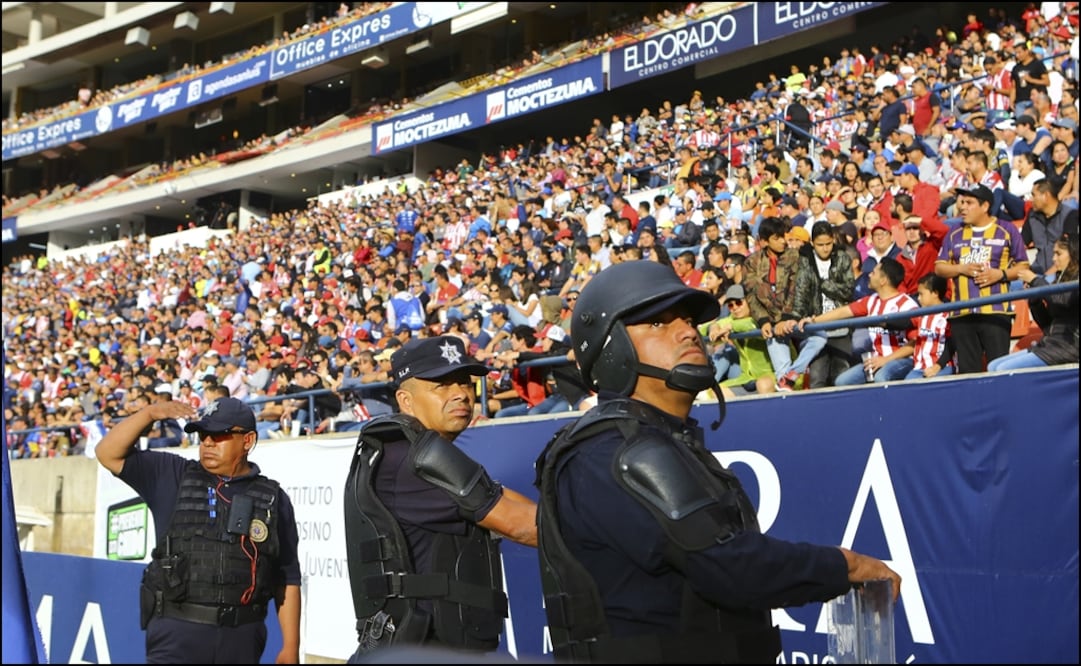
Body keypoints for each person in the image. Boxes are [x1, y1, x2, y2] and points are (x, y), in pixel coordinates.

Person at [534, 260, 900, 663]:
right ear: (611, 350)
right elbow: (731, 567)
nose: (688, 331)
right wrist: (845, 565)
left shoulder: (652, 439)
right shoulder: (619, 450)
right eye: (658, 322)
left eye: (688, 319)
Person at [342, 335, 537, 659]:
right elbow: (524, 526)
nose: (461, 393)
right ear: (405, 400)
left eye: (464, 382)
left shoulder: (411, 451)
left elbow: (499, 496)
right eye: (441, 385)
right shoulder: (413, 461)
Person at [95, 397, 301, 664]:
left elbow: (287, 577)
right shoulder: (172, 474)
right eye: (204, 435)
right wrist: (149, 414)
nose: (208, 443)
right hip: (177, 632)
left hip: (242, 637)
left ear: (248, 441)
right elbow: (107, 453)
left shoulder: (273, 498)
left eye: (220, 435)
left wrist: (290, 646)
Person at [935, 185, 1030, 373]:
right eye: (961, 202)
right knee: (968, 373)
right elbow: (939, 267)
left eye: (969, 203)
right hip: (961, 314)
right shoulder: (954, 232)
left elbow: (1023, 266)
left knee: (999, 368)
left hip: (995, 312)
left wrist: (1000, 274)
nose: (962, 207)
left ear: (985, 206)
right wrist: (961, 268)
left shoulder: (1007, 230)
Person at [800, 258, 918, 386]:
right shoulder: (871, 300)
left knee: (881, 378)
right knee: (842, 382)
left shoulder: (907, 305)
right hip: (875, 360)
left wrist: (886, 360)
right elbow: (843, 312)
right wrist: (813, 320)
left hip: (902, 360)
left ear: (883, 281)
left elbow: (915, 343)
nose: (869, 275)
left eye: (873, 273)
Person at [987, 233, 1079, 370]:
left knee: (1002, 369)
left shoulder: (1075, 282)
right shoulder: (1060, 280)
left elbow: (1062, 299)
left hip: (1069, 349)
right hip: (1050, 345)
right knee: (993, 366)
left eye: (1058, 254)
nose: (1054, 259)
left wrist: (1035, 281)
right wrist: (1034, 300)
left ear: (1074, 254)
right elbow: (1047, 325)